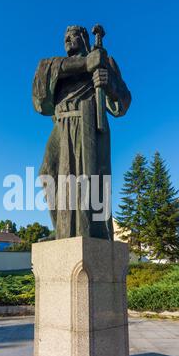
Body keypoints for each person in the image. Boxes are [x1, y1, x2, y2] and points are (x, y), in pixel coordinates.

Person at [33, 25, 131, 240]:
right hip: (61, 123)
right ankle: (61, 229)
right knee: (47, 174)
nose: (68, 40)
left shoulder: (104, 60)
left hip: (89, 122)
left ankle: (93, 230)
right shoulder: (55, 66)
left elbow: (122, 104)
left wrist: (109, 84)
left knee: (89, 179)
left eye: (73, 36)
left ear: (85, 39)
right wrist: (86, 64)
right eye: (65, 37)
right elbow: (40, 99)